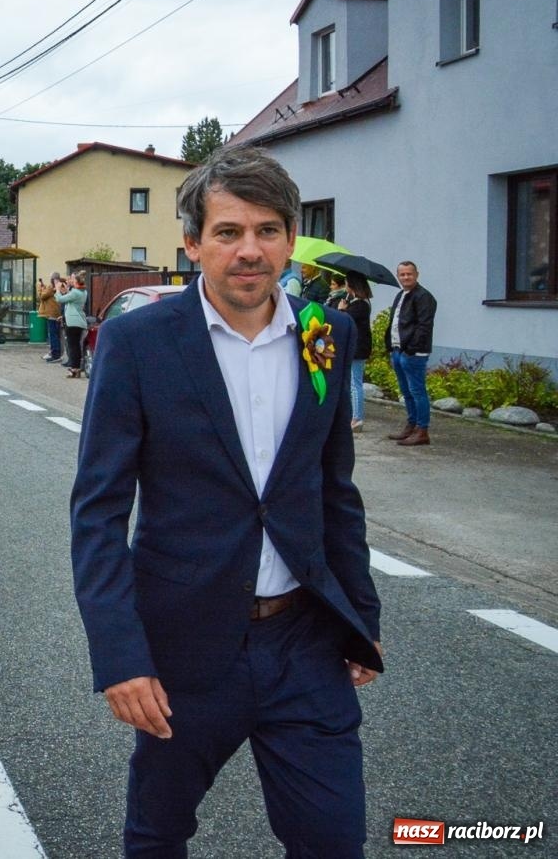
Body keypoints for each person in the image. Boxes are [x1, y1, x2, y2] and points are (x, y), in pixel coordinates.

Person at [71, 148, 383, 858]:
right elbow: (97, 511)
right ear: (192, 243)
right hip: (185, 648)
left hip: (305, 643)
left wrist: (359, 613)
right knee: (159, 833)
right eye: (229, 232)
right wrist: (121, 655)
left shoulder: (324, 336)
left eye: (269, 231)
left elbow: (335, 489)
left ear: (289, 239)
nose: (251, 250)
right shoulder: (137, 342)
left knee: (333, 841)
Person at [386, 260, 436, 447]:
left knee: (417, 391)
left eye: (409, 274)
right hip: (399, 350)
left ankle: (422, 430)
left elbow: (424, 326)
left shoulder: (424, 297)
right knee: (406, 391)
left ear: (416, 274)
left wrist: (411, 349)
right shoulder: (401, 295)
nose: (406, 277)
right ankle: (412, 425)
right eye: (402, 274)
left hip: (413, 353)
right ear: (398, 276)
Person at [337, 275, 373, 432]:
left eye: (346, 284)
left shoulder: (360, 305)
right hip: (357, 347)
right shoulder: (358, 303)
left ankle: (357, 418)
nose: (345, 287)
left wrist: (341, 310)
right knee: (353, 382)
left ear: (352, 286)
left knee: (355, 384)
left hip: (358, 348)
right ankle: (354, 416)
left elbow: (346, 321)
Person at [58, 272, 88, 379]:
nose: (72, 282)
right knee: (76, 346)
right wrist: (66, 291)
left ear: (76, 282)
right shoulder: (83, 292)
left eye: (73, 280)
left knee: (72, 346)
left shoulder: (75, 292)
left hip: (72, 322)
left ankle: (74, 369)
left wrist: (57, 290)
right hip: (79, 321)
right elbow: (71, 301)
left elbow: (60, 299)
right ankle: (77, 368)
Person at [37, 273, 63, 363]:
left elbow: (42, 296)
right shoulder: (58, 286)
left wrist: (39, 288)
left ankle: (55, 354)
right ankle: (54, 352)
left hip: (52, 314)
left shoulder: (52, 287)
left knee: (53, 335)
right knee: (54, 335)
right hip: (56, 313)